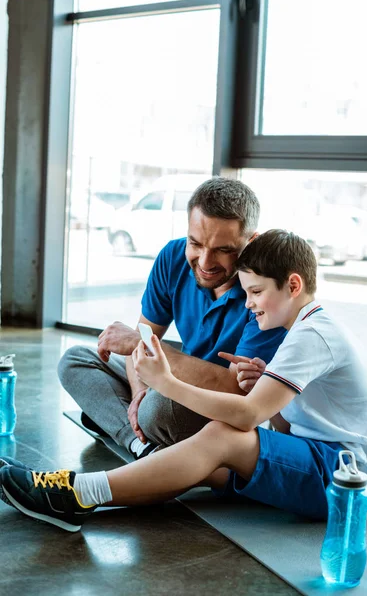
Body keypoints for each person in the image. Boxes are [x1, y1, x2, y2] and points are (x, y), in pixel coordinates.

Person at [0, 229, 367, 532]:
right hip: (323, 458)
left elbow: (247, 417)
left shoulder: (314, 333)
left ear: (293, 286)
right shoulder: (306, 329)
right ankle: (70, 499)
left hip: (350, 479)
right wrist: (268, 386)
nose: (249, 303)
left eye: (256, 292)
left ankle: (73, 493)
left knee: (222, 435)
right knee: (191, 462)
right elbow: (283, 425)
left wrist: (167, 382)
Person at [58, 177, 286, 459]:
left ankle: (119, 421)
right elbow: (139, 342)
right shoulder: (173, 256)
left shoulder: (265, 288)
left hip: (222, 404)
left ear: (251, 242)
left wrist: (148, 356)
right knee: (76, 359)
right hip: (172, 379)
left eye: (223, 250)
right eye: (196, 243)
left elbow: (234, 389)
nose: (204, 262)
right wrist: (139, 388)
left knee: (157, 411)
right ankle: (139, 443)